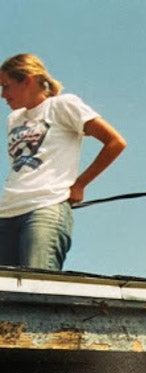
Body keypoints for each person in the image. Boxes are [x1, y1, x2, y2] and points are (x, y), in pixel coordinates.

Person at [0, 53, 126, 270]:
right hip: (6, 211)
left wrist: (80, 184)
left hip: (45, 207)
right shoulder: (13, 120)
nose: (3, 95)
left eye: (6, 86)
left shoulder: (63, 105)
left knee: (36, 288)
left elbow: (114, 142)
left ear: (27, 80)